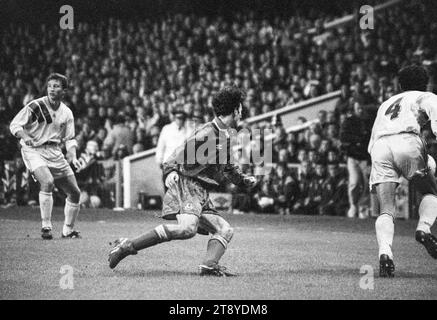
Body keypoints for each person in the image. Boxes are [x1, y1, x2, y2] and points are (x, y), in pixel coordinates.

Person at [108, 86, 258, 276]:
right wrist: (170, 171)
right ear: (235, 109)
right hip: (187, 185)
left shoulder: (225, 134)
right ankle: (127, 246)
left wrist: (244, 181)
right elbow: (175, 156)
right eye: (241, 108)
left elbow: (228, 167)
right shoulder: (206, 134)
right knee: (187, 229)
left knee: (225, 229)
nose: (242, 112)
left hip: (201, 191)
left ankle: (209, 265)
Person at [368, 65, 437, 277]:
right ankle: (423, 229)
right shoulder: (426, 96)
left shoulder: (386, 104)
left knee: (386, 208)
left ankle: (385, 254)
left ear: (400, 85)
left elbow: (371, 142)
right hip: (407, 140)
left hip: (380, 147)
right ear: (426, 83)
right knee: (431, 192)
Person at [9, 73, 82, 239]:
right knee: (47, 181)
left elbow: (69, 138)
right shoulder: (36, 105)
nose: (52, 89)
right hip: (34, 150)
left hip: (55, 151)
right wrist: (25, 136)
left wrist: (72, 153)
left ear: (64, 91)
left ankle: (68, 230)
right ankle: (46, 227)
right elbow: (15, 124)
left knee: (75, 193)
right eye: (50, 86)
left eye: (56, 86)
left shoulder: (67, 112)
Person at [340, 100, 372, 218]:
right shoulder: (349, 121)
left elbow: (372, 139)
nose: (360, 110)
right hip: (353, 157)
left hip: (365, 158)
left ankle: (363, 207)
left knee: (367, 183)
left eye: (361, 107)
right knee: (354, 183)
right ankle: (353, 205)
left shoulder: (369, 121)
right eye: (358, 108)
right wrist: (358, 139)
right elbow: (343, 136)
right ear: (354, 109)